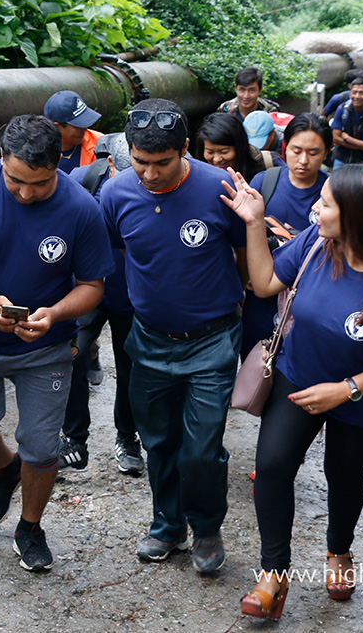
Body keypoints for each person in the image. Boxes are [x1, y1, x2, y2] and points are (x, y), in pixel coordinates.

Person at [222, 164, 363, 620]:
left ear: (358, 214)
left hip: (362, 397)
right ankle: (273, 575)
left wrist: (347, 390)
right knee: (273, 467)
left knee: (344, 476)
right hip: (297, 378)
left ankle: (339, 551)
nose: (315, 208)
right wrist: (255, 222)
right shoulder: (316, 244)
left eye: (326, 203)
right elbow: (264, 284)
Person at [0, 114, 113, 572]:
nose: (25, 193)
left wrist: (54, 313)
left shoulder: (81, 209)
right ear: (2, 158)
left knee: (42, 446)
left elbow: (92, 285)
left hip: (45, 347)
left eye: (40, 183)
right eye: (15, 180)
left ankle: (30, 526)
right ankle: (6, 468)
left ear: (58, 166)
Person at [100, 99, 247, 577]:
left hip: (212, 340)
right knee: (158, 440)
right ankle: (167, 524)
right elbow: (121, 257)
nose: (149, 174)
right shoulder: (115, 193)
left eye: (161, 163)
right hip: (149, 340)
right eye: (140, 162)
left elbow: (248, 259)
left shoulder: (219, 186)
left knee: (201, 447)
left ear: (185, 149)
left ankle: (205, 525)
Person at [59, 133, 145, 477]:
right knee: (72, 357)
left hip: (130, 295)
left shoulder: (154, 187)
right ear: (111, 163)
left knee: (129, 370)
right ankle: (75, 440)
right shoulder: (83, 181)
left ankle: (127, 438)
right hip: (86, 291)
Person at [240, 113, 331, 355]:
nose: (303, 160)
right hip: (261, 300)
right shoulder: (264, 182)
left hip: (308, 303)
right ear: (285, 147)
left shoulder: (332, 194)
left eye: (313, 153)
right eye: (296, 150)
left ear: (326, 153)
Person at [199, 111, 270, 182]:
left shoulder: (264, 167)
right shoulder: (198, 174)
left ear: (240, 148)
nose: (216, 159)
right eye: (210, 152)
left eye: (224, 152)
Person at [44, 90, 103, 174]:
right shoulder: (37, 151)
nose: (85, 129)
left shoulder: (99, 144)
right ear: (57, 126)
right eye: (78, 125)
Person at [330, 78, 363, 167]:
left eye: (361, 93)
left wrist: (347, 138)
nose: (357, 96)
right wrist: (361, 145)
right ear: (350, 93)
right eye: (354, 92)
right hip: (342, 157)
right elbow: (335, 138)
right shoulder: (342, 109)